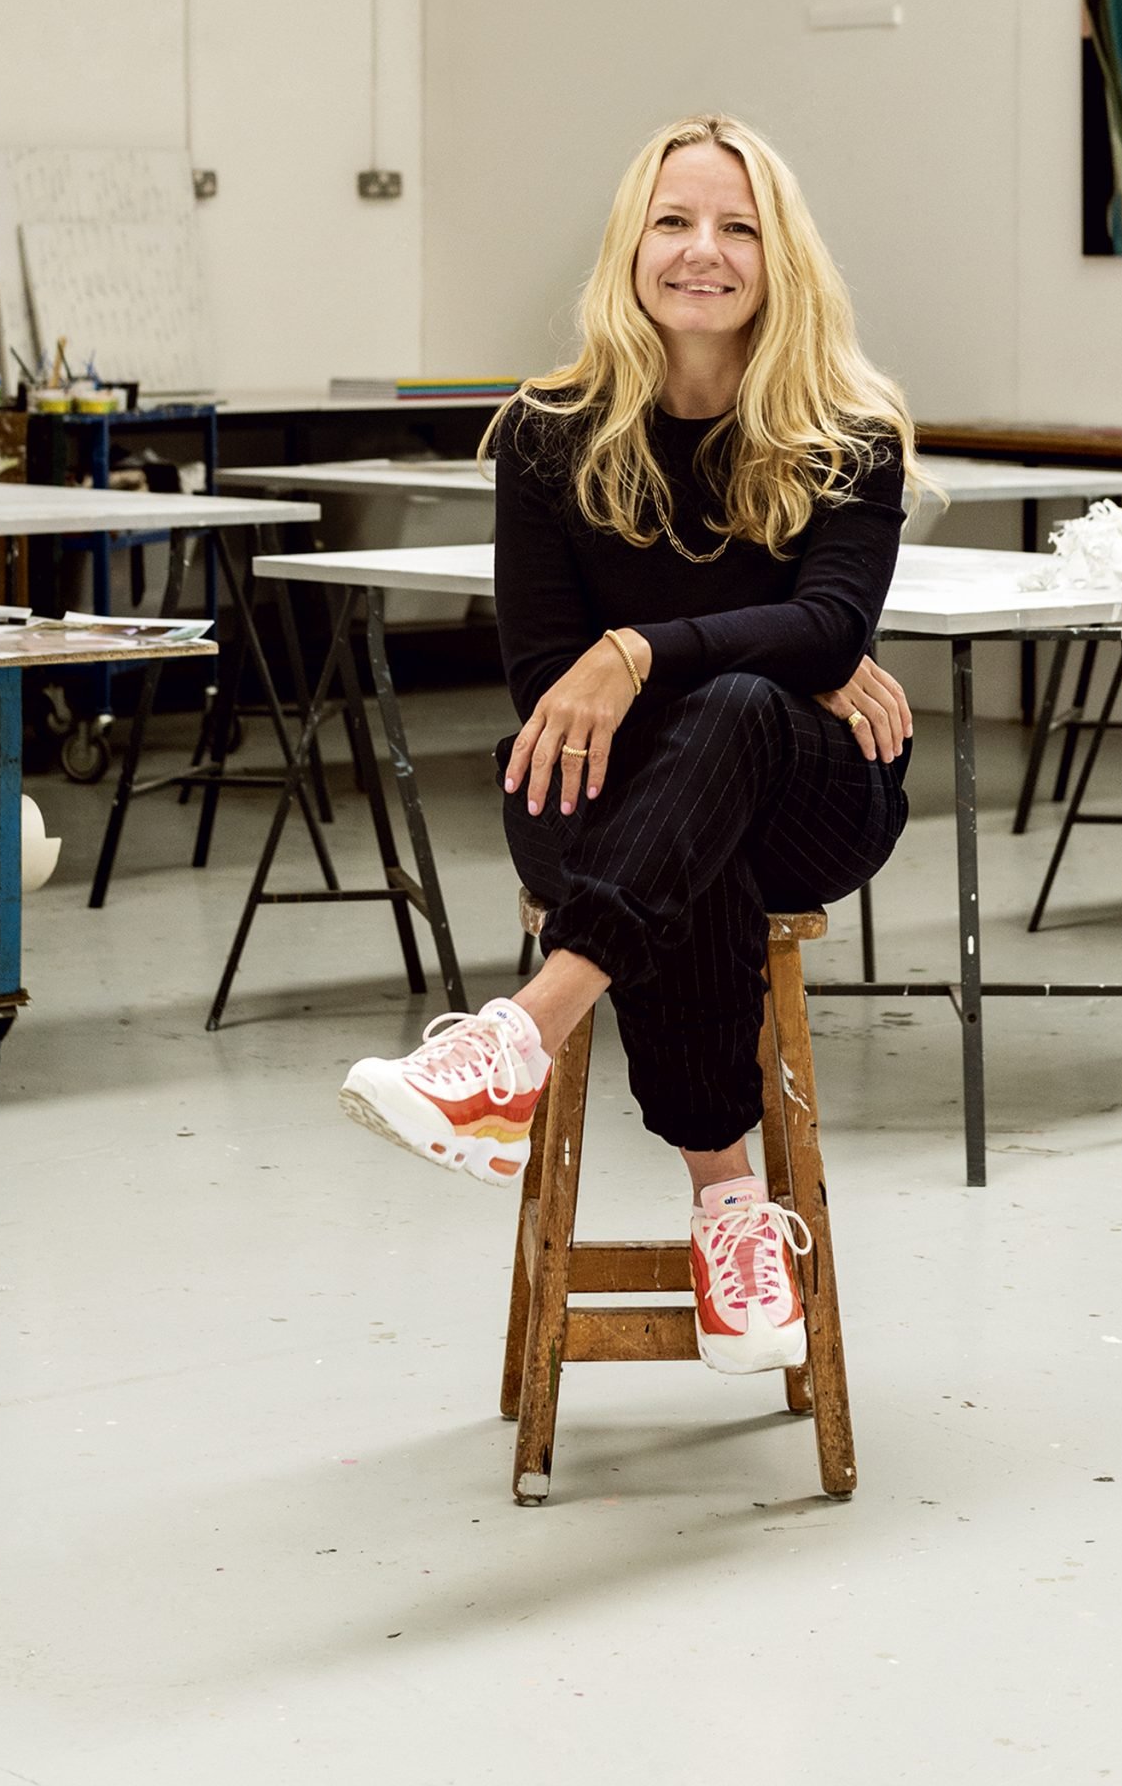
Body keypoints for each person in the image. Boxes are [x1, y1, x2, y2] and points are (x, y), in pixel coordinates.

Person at [342, 114, 919, 1375]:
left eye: (735, 226)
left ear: (781, 258)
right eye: (673, 220)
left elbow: (828, 626)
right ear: (629, 244)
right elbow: (549, 681)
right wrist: (771, 653)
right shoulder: (549, 432)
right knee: (709, 778)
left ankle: (518, 1036)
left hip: (812, 803)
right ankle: (730, 1211)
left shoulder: (849, 431)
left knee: (741, 721)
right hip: (605, 792)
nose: (700, 250)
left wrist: (646, 650)